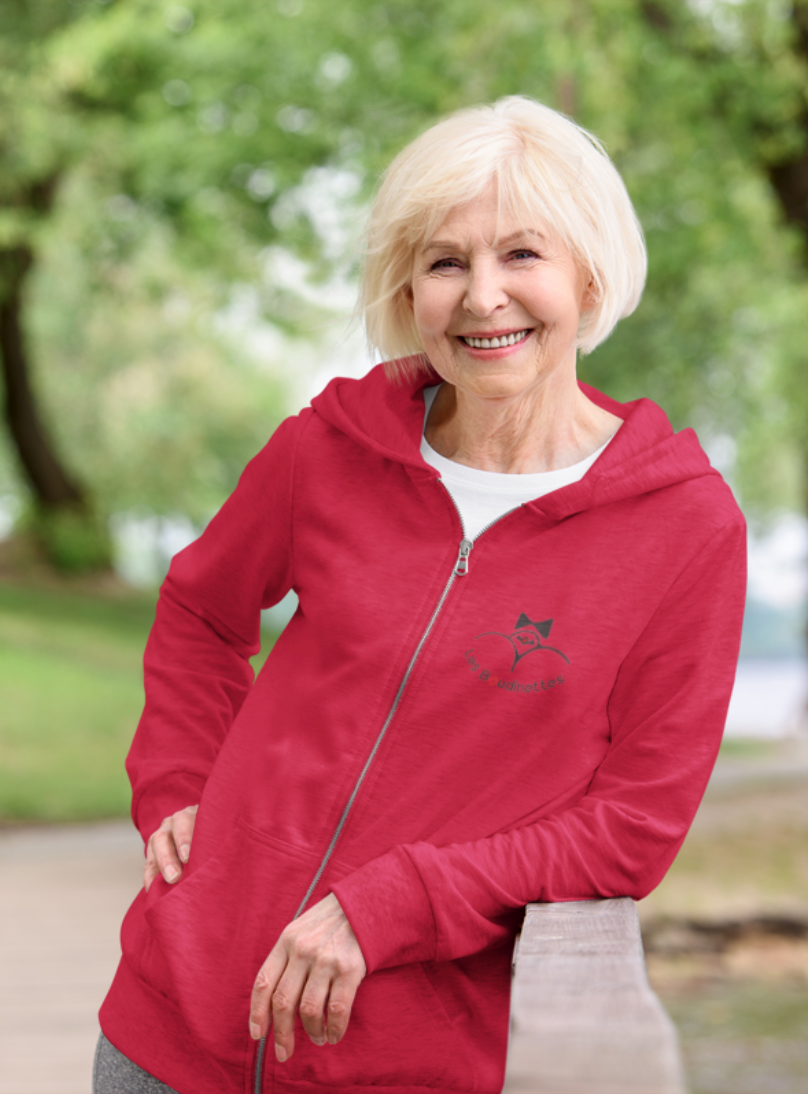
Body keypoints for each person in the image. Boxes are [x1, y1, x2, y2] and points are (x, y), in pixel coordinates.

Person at [95, 96, 746, 1094]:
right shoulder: (330, 445)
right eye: (446, 263)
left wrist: (394, 898)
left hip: (405, 1059)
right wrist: (175, 778)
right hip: (171, 1029)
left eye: (522, 255)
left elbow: (631, 824)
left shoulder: (683, 525)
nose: (484, 298)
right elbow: (200, 608)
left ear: (589, 272)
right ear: (409, 288)